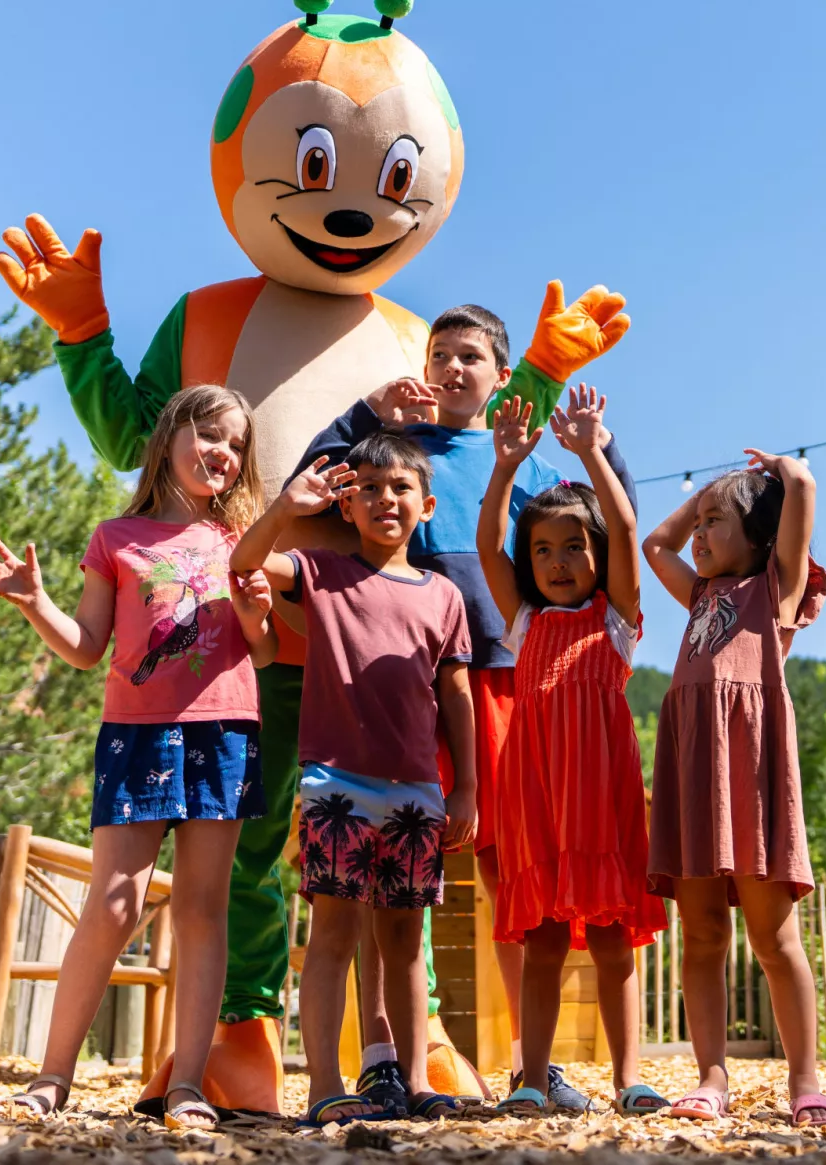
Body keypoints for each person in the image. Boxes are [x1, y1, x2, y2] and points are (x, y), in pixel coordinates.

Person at [293, 305, 636, 1112]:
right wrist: (366, 414)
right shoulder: (403, 455)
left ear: (500, 374)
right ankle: (381, 1050)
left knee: (513, 869)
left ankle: (529, 1057)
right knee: (387, 870)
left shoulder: (524, 458)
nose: (452, 368)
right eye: (440, 353)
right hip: (415, 681)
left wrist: (599, 440)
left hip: (515, 678)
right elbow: (308, 488)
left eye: (470, 356)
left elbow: (600, 527)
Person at [0, 386, 276, 1130]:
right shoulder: (116, 538)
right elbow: (84, 649)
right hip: (135, 733)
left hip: (223, 733)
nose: (223, 453)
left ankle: (188, 1085)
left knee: (204, 909)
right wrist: (35, 601)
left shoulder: (244, 540)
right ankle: (52, 1074)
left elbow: (263, 652)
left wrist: (258, 614)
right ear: (170, 435)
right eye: (209, 433)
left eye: (236, 444)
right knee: (114, 904)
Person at [230, 432, 477, 1125]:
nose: (384, 499)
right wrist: (287, 505)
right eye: (368, 488)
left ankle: (417, 1080)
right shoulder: (321, 571)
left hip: (416, 792)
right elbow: (243, 561)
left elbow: (456, 698)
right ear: (348, 504)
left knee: (403, 945)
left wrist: (467, 789)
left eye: (399, 488)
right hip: (336, 784)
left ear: (425, 505)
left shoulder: (444, 596)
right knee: (333, 933)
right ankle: (324, 1086)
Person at [470, 385, 668, 1115]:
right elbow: (489, 543)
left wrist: (590, 450)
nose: (557, 561)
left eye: (573, 547)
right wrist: (505, 465)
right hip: (539, 803)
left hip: (602, 801)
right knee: (544, 942)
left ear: (598, 555)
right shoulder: (523, 622)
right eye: (543, 549)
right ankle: (532, 1076)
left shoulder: (613, 618)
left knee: (615, 940)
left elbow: (622, 519)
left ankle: (629, 1078)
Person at [640, 449, 826, 1126]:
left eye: (715, 522)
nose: (697, 535)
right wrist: (701, 502)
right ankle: (710, 1076)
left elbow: (803, 487)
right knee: (700, 934)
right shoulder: (697, 595)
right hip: (695, 774)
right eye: (699, 522)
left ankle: (805, 1079)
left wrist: (780, 469)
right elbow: (652, 543)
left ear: (759, 539)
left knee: (774, 937)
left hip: (748, 781)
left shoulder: (773, 591)